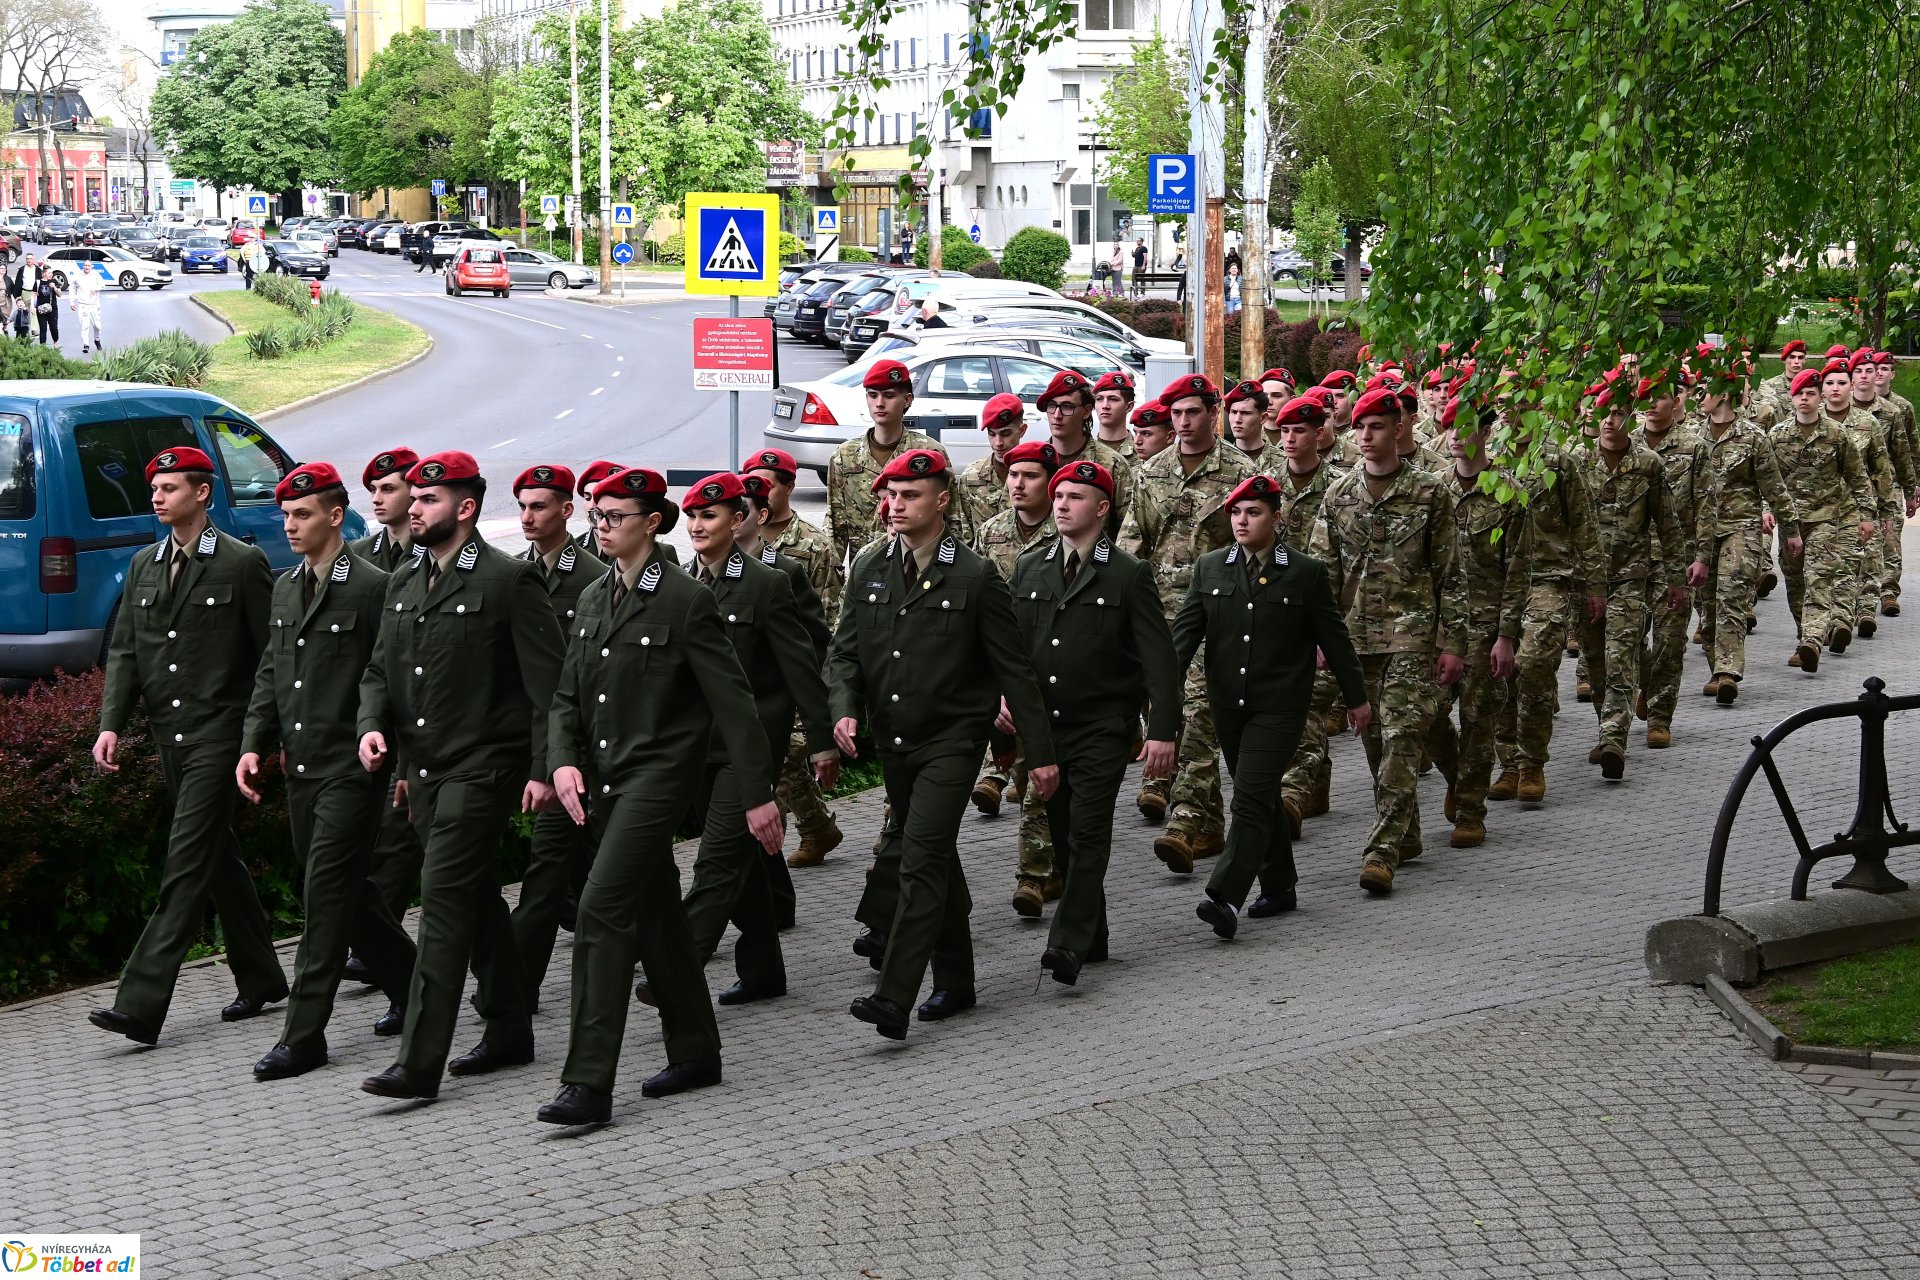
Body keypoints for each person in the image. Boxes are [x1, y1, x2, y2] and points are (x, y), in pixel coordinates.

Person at [539, 467, 783, 1126]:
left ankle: (587, 1083)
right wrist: (562, 762)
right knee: (659, 918)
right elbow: (565, 697)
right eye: (597, 515)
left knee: (600, 909)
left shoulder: (684, 599)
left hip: (658, 780)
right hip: (604, 780)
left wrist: (757, 794)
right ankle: (696, 1051)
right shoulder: (595, 596)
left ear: (652, 522)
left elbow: (734, 704)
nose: (602, 526)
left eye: (615, 516)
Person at [355, 450, 565, 1103]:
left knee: (442, 900)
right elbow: (381, 671)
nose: (414, 509)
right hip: (424, 770)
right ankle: (509, 1027)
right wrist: (374, 727)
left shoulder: (506, 580)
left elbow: (551, 688)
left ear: (465, 508)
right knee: (473, 897)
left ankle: (419, 1063)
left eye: (429, 499)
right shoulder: (404, 580)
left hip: (484, 767)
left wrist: (543, 769)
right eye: (413, 499)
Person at [829, 448, 1057, 1041]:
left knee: (920, 858)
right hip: (894, 741)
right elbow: (845, 652)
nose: (895, 505)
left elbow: (1014, 669)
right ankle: (957, 981)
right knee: (936, 858)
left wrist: (1040, 753)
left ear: (942, 501)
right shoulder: (871, 566)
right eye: (890, 495)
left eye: (909, 496)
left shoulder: (973, 575)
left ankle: (893, 996)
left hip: (953, 740)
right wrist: (844, 708)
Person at [88, 447, 284, 1047]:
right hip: (170, 735)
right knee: (215, 856)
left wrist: (260, 738)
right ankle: (262, 977)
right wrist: (111, 724)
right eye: (154, 487)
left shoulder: (241, 562)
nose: (157, 496)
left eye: (170, 487)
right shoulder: (143, 565)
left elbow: (270, 657)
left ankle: (140, 1003)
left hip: (220, 735)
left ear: (202, 493)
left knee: (186, 859)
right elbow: (126, 651)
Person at [240, 463, 417, 1080]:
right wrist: (253, 743)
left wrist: (397, 756)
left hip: (352, 766)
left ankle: (304, 1035)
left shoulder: (372, 586)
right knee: (347, 890)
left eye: (303, 514)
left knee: (323, 895)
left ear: (336, 517)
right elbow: (272, 671)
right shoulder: (287, 586)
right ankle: (417, 987)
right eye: (286, 515)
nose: (290, 525)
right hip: (302, 765)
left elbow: (390, 676)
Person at [640, 472, 834, 1012]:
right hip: (697, 746)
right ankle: (763, 971)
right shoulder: (679, 582)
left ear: (739, 519)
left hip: (750, 748)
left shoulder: (767, 583)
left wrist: (821, 740)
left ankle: (676, 971)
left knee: (717, 862)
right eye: (693, 516)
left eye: (711, 515)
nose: (698, 525)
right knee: (743, 861)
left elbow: (802, 665)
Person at [1174, 474, 1368, 938]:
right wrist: (1157, 693)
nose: (1242, 521)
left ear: (1277, 519)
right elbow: (1182, 639)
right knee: (1260, 796)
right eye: (1236, 512)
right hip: (1228, 703)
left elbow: (1334, 639)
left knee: (1248, 797)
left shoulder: (1304, 571)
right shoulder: (1210, 568)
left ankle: (1225, 896)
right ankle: (1280, 886)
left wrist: (1356, 698)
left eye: (1254, 512)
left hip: (1279, 706)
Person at [1010, 460, 1181, 980]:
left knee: (1087, 833)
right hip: (1046, 728)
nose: (1062, 505)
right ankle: (1095, 934)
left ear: (1102, 508)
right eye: (1059, 496)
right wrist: (1001, 699)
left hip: (1103, 726)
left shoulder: (1127, 573)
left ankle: (1067, 943)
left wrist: (1162, 731)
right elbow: (1011, 648)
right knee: (1063, 833)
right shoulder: (1030, 566)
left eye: (1075, 497)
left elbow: (1158, 660)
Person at [1310, 387, 1467, 892]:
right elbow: (1324, 576)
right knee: (1375, 739)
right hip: (1356, 639)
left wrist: (1453, 642)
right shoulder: (1339, 495)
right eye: (1359, 427)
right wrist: (1320, 637)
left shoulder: (1430, 492)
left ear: (1399, 429)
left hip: (1412, 636)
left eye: (1376, 426)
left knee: (1401, 737)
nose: (1365, 435)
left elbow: (1450, 573)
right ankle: (1409, 831)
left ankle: (1381, 851)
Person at [1116, 374, 1255, 869]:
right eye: (1176, 414)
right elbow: (1132, 541)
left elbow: (1253, 546)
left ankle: (1186, 819)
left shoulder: (1240, 471)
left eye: (1193, 412)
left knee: (1197, 716)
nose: (1183, 422)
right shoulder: (1151, 472)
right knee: (1167, 711)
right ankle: (1211, 826)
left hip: (1216, 617)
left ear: (1213, 413)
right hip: (1159, 616)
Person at [505, 464, 606, 1007]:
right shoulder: (515, 574)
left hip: (586, 746)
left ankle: (515, 986)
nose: (527, 517)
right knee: (591, 867)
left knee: (549, 866)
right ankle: (660, 953)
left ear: (567, 510)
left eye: (539, 506)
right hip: (548, 743)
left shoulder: (593, 576)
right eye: (522, 506)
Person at [1576, 389, 1694, 781]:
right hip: (1586, 580)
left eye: (1618, 413)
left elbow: (1668, 524)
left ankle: (1614, 738)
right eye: (1603, 413)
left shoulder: (1648, 464)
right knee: (1595, 660)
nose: (1610, 421)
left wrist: (1676, 578)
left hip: (1630, 577)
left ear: (1631, 417)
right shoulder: (1577, 461)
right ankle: (1605, 725)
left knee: (1620, 655)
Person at [1422, 397, 1524, 849]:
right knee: (1426, 714)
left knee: (1479, 719)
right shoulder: (1432, 490)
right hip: (1440, 625)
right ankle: (1456, 778)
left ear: (1485, 432)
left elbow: (1518, 570)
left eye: (1464, 427)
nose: (1455, 436)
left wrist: (1507, 636)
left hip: (1486, 622)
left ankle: (1470, 811)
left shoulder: (1507, 493)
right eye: (1449, 427)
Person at [970, 439, 1063, 916]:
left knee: (1038, 773)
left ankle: (1035, 873)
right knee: (1028, 774)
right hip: (1005, 668)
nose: (1018, 484)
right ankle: (1050, 865)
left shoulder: (1067, 530)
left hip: (1054, 668)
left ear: (1051, 482)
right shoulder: (991, 533)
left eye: (1030, 476)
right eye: (1012, 475)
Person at [1697, 365, 1799, 704]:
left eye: (1706, 392)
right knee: (1706, 603)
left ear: (1724, 396)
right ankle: (1716, 667)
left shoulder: (1753, 437)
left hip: (1741, 528)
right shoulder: (1693, 437)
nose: (1700, 397)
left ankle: (1727, 672)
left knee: (1731, 595)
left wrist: (1792, 529)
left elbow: (1774, 486)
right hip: (1701, 533)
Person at [1769, 368, 1876, 672]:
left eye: (1811, 394)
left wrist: (1867, 515)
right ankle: (1803, 636)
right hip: (1790, 522)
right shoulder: (1777, 435)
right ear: (1792, 398)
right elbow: (1767, 479)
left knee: (1818, 579)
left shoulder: (1836, 434)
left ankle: (1813, 641)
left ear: (1820, 398)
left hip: (1826, 519)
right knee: (1795, 582)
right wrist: (1766, 509)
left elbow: (1857, 477)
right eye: (1800, 394)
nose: (1805, 398)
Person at [1634, 373, 1715, 750]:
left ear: (1676, 401)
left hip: (1676, 558)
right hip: (1630, 558)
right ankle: (1645, 683)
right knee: (1628, 637)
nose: (1651, 403)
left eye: (1660, 397)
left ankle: (1660, 717)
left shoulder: (1694, 446)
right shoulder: (1627, 443)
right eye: (1645, 396)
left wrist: (1702, 557)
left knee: (1670, 641)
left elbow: (1706, 503)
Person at [825, 359, 962, 569]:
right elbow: (835, 527)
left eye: (889, 395)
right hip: (866, 569)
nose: (879, 403)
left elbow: (951, 518)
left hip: (920, 567)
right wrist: (835, 579)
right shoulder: (844, 456)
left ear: (907, 400)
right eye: (873, 395)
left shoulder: (929, 453)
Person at [954, 391, 1028, 542]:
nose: (998, 443)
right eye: (992, 434)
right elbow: (963, 534)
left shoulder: (1036, 475)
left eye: (1005, 434)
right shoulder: (971, 477)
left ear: (1022, 431)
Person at [1091, 371, 1138, 458]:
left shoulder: (1142, 452)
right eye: (1099, 399)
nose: (1105, 406)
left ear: (1129, 406)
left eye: (1113, 399)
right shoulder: (1081, 451)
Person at [70, 259, 103, 355]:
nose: (87, 267)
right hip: (83, 304)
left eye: (89, 265)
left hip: (94, 304)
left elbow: (102, 284)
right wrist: (72, 302)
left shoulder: (96, 275)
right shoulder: (78, 276)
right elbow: (72, 289)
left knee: (97, 326)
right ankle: (86, 345)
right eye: (85, 265)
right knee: (85, 325)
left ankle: (97, 339)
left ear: (91, 267)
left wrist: (95, 289)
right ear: (83, 266)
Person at [32, 270, 59, 345]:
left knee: (53, 327)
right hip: (41, 308)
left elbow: (60, 294)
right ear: (44, 274)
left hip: (52, 308)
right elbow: (33, 295)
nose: (51, 274)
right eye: (49, 273)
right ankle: (42, 346)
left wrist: (54, 287)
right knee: (43, 328)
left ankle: (56, 341)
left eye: (51, 273)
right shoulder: (38, 282)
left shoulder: (54, 281)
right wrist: (32, 307)